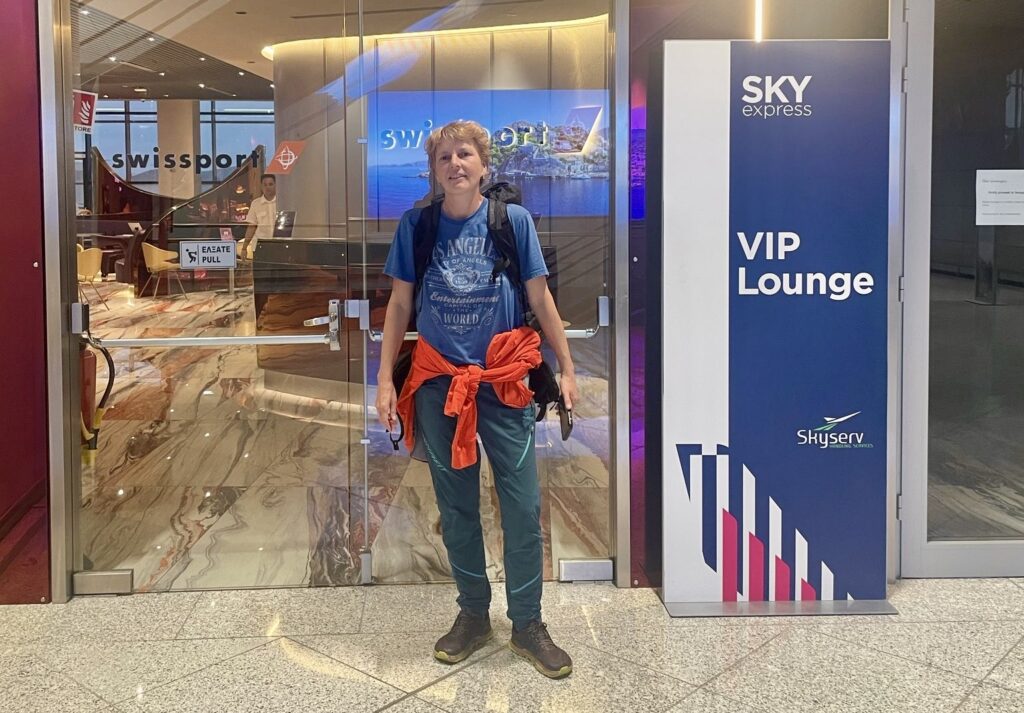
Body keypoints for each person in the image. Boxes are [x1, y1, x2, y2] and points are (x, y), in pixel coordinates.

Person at [376, 120, 579, 679]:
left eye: (464, 154)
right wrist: (385, 379)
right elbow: (399, 306)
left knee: (523, 506)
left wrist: (566, 367)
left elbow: (540, 297)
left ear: (484, 166)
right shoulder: (417, 226)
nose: (455, 164)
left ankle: (528, 623)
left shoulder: (512, 222)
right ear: (434, 170)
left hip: (504, 383)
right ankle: (473, 614)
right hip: (439, 385)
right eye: (444, 157)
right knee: (457, 508)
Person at [241, 173, 276, 259]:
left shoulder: (282, 202)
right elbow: (251, 227)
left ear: (275, 185)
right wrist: (244, 248)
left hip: (280, 245)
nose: (267, 187)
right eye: (265, 185)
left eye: (270, 184)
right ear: (261, 186)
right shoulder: (255, 204)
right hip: (261, 246)